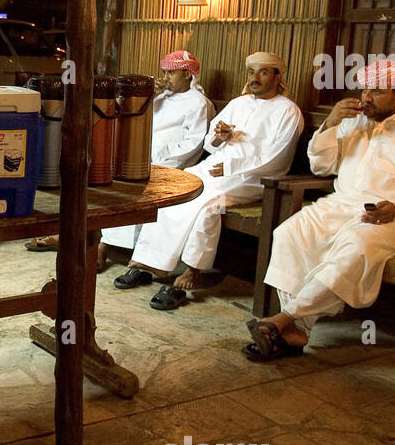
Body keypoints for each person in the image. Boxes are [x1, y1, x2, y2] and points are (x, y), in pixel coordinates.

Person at [243, 59, 395, 361]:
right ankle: (297, 329)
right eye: (365, 89)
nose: (367, 97)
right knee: (289, 232)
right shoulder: (353, 123)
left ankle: (285, 319)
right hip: (341, 205)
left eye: (377, 91)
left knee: (356, 244)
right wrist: (329, 125)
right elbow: (320, 165)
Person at [121, 50, 304, 310]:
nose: (255, 78)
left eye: (263, 72)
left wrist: (230, 165)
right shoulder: (239, 104)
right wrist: (221, 137)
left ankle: (191, 271)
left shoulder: (289, 112)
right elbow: (209, 141)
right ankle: (148, 262)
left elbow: (277, 158)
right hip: (216, 167)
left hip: (253, 177)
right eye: (252, 72)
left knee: (206, 202)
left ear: (277, 76)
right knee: (172, 189)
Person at [102, 51, 216, 285]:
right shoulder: (160, 97)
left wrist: (157, 159)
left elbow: (191, 144)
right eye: (164, 72)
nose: (166, 77)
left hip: (173, 163)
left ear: (187, 74)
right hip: (143, 156)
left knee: (141, 183)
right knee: (120, 178)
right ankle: (105, 244)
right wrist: (148, 97)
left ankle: (119, 252)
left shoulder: (199, 103)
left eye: (171, 73)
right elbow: (132, 120)